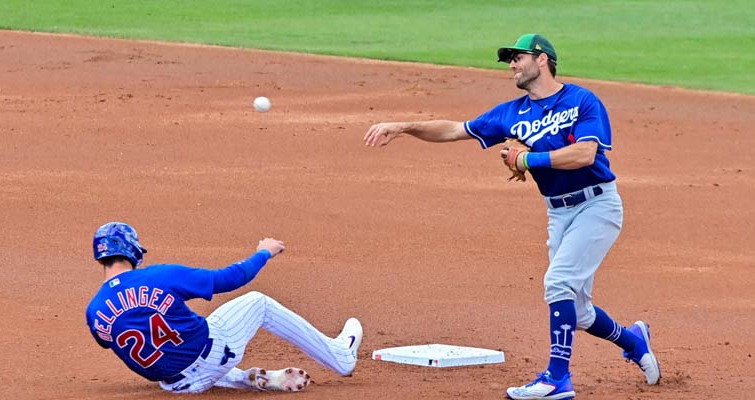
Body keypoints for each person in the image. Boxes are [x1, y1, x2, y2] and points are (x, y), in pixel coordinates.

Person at [363, 33, 660, 400]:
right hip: (559, 214)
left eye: (518, 58)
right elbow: (456, 129)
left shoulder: (582, 101)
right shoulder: (511, 113)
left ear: (543, 60)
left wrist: (526, 159)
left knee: (558, 284)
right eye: (510, 60)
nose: (512, 65)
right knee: (577, 312)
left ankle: (557, 378)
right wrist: (404, 126)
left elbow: (585, 154)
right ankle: (634, 340)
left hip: (597, 206)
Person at [86, 222, 363, 394]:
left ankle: (245, 379)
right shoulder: (157, 276)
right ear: (132, 249)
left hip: (178, 386)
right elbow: (228, 279)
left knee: (182, 342)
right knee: (258, 303)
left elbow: (119, 340)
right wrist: (264, 252)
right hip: (213, 354)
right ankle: (340, 357)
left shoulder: (94, 311)